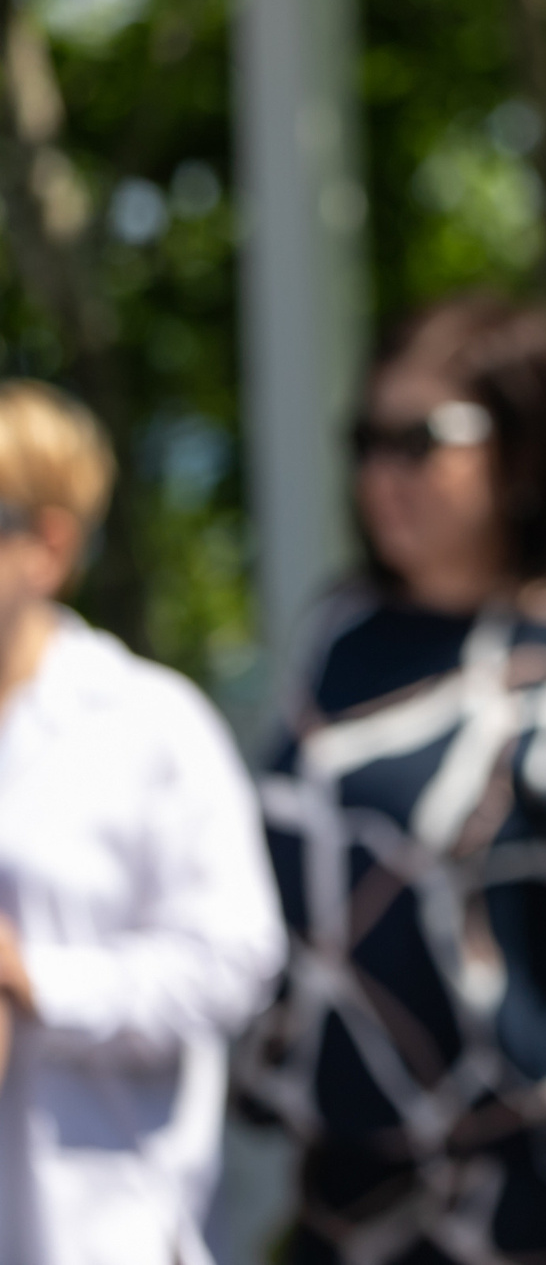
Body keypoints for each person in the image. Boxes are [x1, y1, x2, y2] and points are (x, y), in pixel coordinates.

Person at [234, 296, 546, 1265]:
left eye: (421, 440)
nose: (384, 473)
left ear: (524, 447)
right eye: (367, 440)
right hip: (348, 1199)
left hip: (534, 1198)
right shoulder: (341, 633)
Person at [0, 380, 284, 1265]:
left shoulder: (148, 723)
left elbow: (235, 959)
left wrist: (36, 979)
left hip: (100, 1232)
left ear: (48, 543)